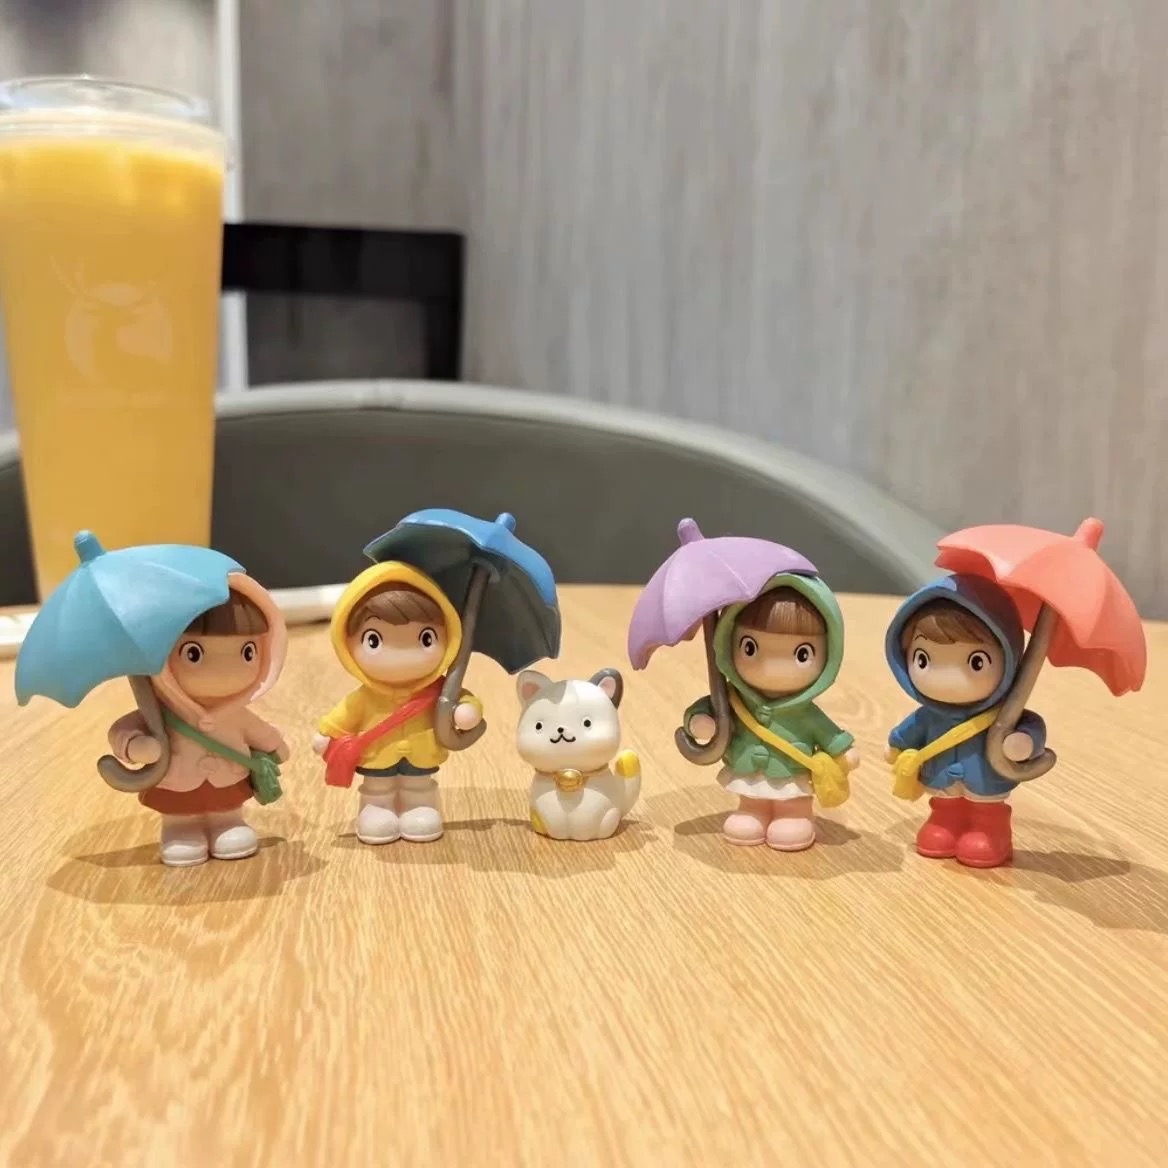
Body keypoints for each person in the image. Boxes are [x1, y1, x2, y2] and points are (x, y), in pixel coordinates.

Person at [108, 576, 289, 867]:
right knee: (180, 813)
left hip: (229, 779)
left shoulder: (236, 714)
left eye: (247, 652)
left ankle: (229, 822)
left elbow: (260, 732)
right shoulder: (159, 712)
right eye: (193, 653)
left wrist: (275, 745)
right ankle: (180, 829)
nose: (225, 670)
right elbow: (123, 729)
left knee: (227, 809)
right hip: (177, 782)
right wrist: (136, 746)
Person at [884, 574, 1047, 868]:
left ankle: (991, 831)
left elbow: (1031, 727)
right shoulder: (930, 715)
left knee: (986, 812)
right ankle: (945, 823)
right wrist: (897, 744)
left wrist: (1023, 743)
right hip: (941, 779)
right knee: (945, 806)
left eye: (975, 662)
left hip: (986, 782)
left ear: (1008, 659)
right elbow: (909, 731)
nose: (947, 679)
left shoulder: (1003, 715)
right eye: (923, 659)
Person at [313, 562, 482, 844]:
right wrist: (326, 733)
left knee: (419, 785)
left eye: (425, 638)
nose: (401, 656)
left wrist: (467, 710)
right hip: (377, 756)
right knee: (377, 787)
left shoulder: (441, 689)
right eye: (374, 640)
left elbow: (464, 699)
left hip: (422, 754)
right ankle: (375, 809)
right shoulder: (366, 696)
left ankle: (420, 807)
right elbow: (343, 715)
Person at [686, 578, 858, 851]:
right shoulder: (733, 698)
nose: (772, 667)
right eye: (750, 648)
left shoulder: (805, 713)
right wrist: (702, 722)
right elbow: (706, 709)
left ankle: (795, 816)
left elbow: (828, 733)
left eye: (802, 654)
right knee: (751, 800)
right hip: (749, 769)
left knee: (792, 804)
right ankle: (752, 812)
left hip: (792, 773)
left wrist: (841, 750)